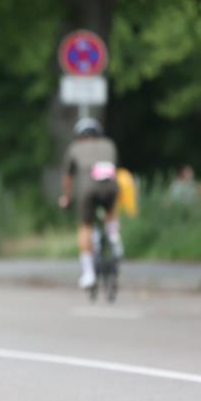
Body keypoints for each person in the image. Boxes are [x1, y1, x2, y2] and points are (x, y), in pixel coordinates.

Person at [59, 118, 122, 289]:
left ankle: (88, 274)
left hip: (89, 188)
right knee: (111, 209)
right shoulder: (109, 144)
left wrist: (66, 197)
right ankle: (115, 239)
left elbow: (68, 177)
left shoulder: (75, 148)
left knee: (85, 226)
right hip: (111, 185)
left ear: (79, 136)